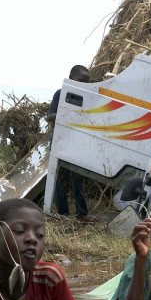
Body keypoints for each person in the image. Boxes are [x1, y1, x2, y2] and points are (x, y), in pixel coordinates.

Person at [47, 64, 99, 224]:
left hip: (79, 142)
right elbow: (50, 116)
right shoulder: (61, 93)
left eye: (86, 81)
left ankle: (81, 214)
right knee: (60, 178)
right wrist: (70, 114)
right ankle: (62, 214)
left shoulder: (88, 98)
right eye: (80, 80)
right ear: (71, 79)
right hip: (61, 140)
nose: (83, 84)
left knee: (78, 179)